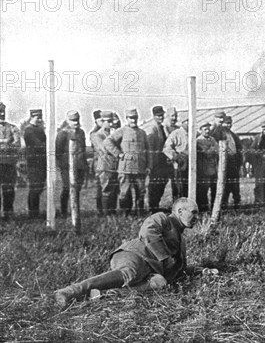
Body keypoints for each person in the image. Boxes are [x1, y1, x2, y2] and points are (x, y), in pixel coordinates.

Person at [54, 197, 200, 308]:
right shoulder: (162, 218)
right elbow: (148, 232)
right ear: (180, 211)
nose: (196, 218)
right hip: (135, 254)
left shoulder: (181, 240)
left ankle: (105, 295)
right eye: (193, 213)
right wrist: (165, 257)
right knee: (130, 273)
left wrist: (202, 270)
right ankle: (70, 291)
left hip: (150, 269)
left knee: (160, 282)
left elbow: (181, 268)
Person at [104, 108, 149, 216]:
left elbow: (148, 151)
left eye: (135, 118)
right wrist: (119, 154)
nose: (133, 120)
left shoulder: (142, 133)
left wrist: (149, 165)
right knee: (125, 192)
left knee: (141, 192)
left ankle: (140, 213)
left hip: (140, 167)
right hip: (126, 167)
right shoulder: (122, 131)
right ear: (127, 119)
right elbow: (107, 142)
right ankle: (126, 214)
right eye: (131, 118)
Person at [55, 111, 87, 218]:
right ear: (68, 120)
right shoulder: (63, 133)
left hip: (80, 165)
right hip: (67, 167)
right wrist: (64, 165)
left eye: (77, 120)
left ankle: (75, 211)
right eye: (73, 120)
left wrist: (84, 164)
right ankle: (63, 211)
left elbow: (83, 149)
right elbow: (58, 152)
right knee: (67, 188)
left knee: (77, 188)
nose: (76, 122)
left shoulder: (81, 132)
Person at [90, 111, 120, 216]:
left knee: (114, 189)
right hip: (104, 166)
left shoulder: (112, 133)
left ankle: (112, 211)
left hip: (114, 166)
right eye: (108, 121)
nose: (111, 124)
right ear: (102, 121)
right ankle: (105, 213)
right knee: (106, 189)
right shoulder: (98, 135)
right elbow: (105, 149)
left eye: (112, 121)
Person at [143, 106, 171, 213]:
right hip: (156, 163)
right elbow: (150, 148)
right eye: (158, 116)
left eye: (162, 115)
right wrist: (151, 164)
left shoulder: (162, 128)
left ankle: (156, 206)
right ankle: (153, 208)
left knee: (161, 185)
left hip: (163, 163)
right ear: (154, 116)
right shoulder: (152, 129)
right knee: (154, 186)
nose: (161, 117)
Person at [23, 109, 46, 219]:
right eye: (38, 118)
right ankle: (32, 213)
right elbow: (39, 144)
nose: (40, 120)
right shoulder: (29, 130)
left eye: (41, 117)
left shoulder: (40, 129)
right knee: (35, 188)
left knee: (40, 187)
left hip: (41, 162)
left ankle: (35, 211)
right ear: (32, 117)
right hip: (33, 163)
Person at [0, 102, 21, 220]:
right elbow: (11, 143)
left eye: (3, 111)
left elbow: (17, 144)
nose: (2, 114)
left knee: (9, 190)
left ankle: (8, 214)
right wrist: (6, 141)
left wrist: (4, 144)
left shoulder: (12, 128)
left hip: (9, 164)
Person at [163, 113, 190, 200]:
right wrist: (176, 157)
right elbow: (166, 148)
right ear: (183, 122)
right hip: (180, 165)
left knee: (188, 187)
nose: (190, 124)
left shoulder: (193, 134)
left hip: (190, 164)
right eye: (187, 122)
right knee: (179, 187)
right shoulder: (176, 133)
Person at [220, 116, 243, 209]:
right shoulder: (220, 134)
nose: (228, 125)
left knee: (235, 187)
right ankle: (223, 206)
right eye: (226, 123)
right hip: (225, 163)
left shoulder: (234, 135)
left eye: (230, 123)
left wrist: (240, 164)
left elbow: (239, 150)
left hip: (234, 164)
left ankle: (237, 206)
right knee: (225, 187)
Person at [196, 122, 218, 212]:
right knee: (203, 192)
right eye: (205, 129)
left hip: (213, 169)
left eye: (208, 129)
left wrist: (213, 150)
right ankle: (203, 210)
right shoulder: (198, 141)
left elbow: (217, 150)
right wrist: (212, 150)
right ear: (200, 130)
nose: (207, 131)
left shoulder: (212, 139)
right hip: (203, 171)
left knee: (214, 191)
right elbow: (207, 153)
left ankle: (214, 209)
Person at [90, 110, 103, 215]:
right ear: (96, 121)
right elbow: (100, 148)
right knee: (99, 187)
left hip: (105, 161)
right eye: (101, 120)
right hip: (98, 162)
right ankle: (100, 210)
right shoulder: (94, 133)